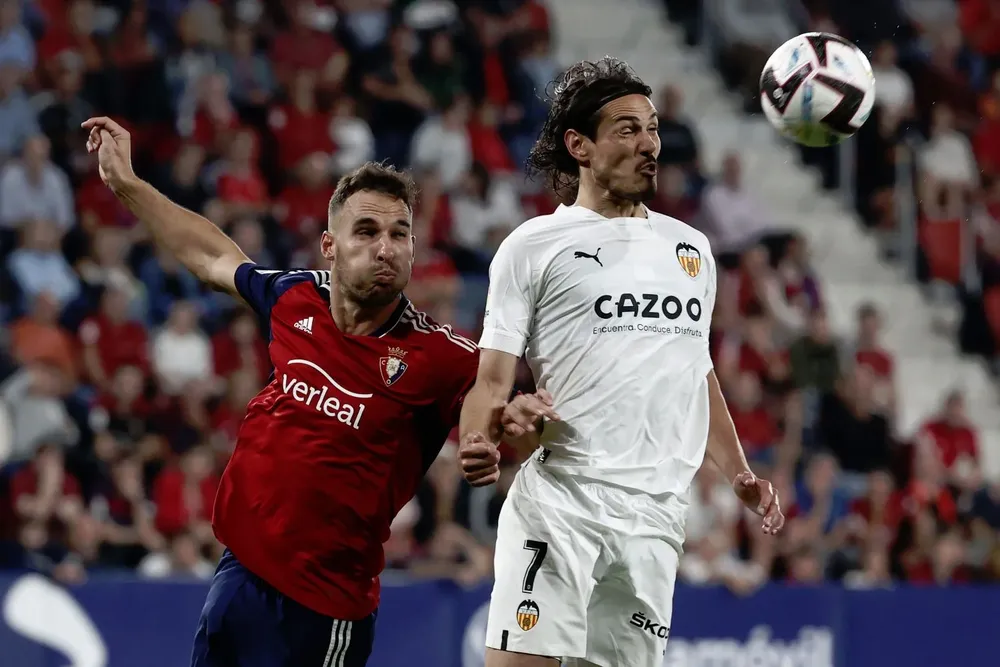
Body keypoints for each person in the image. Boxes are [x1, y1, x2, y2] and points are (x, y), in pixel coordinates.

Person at [82, 116, 543, 667]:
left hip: (324, 611)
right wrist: (128, 185)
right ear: (330, 244)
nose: (386, 247)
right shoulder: (296, 298)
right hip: (238, 577)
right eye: (367, 232)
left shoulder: (438, 355)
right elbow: (212, 258)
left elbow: (492, 397)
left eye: (400, 234)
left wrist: (498, 427)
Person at [457, 57, 787, 667]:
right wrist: (477, 437)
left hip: (656, 518)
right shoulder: (532, 248)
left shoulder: (692, 250)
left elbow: (696, 371)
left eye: (654, 129)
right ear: (578, 145)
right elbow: (493, 379)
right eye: (628, 129)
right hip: (563, 500)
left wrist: (738, 471)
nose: (649, 145)